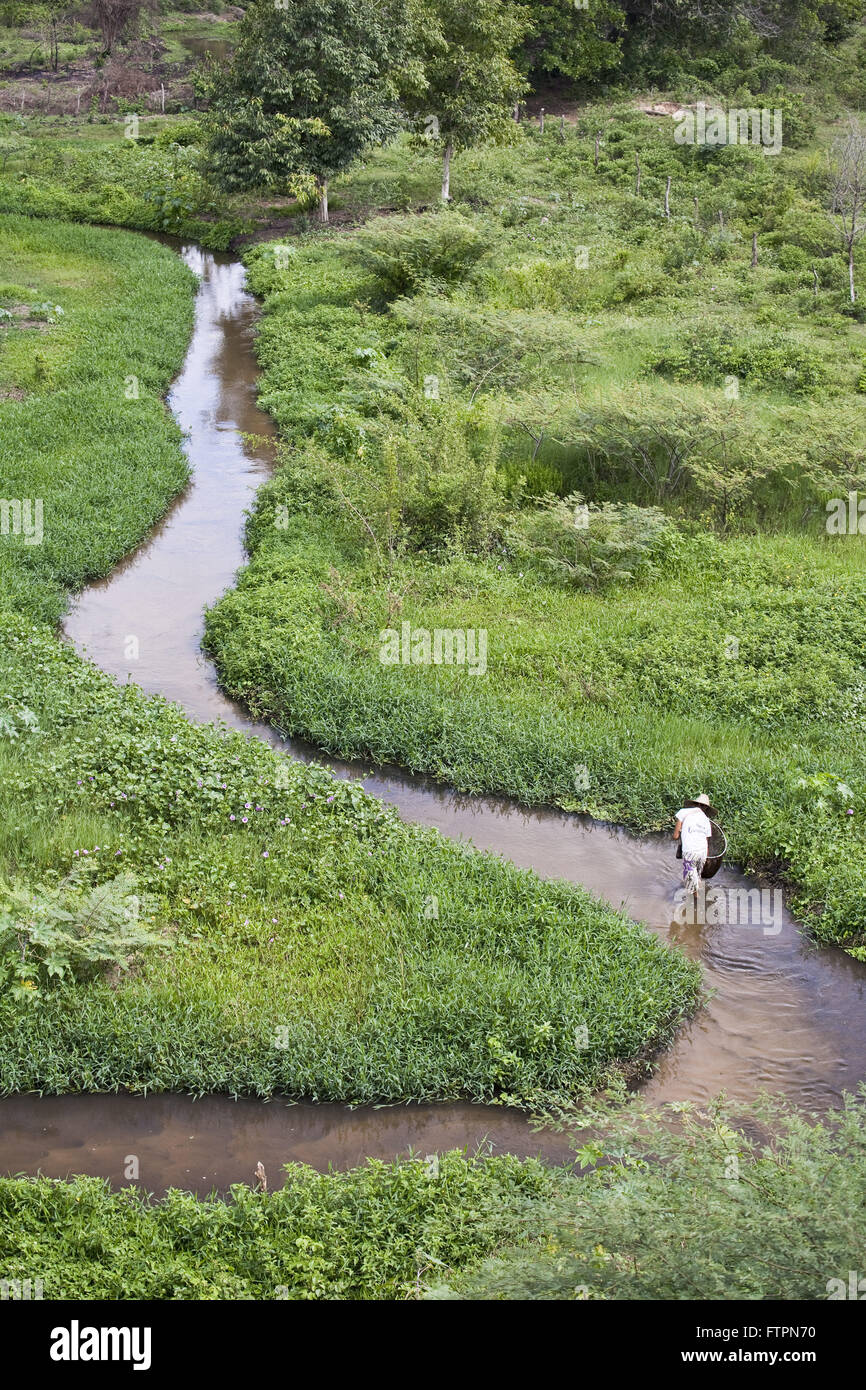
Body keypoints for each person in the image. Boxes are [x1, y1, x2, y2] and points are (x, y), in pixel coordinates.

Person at [673, 794, 716, 894]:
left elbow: (675, 836)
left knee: (691, 885)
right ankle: (699, 896)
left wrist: (682, 832)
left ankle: (696, 902)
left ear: (694, 804)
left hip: (689, 852)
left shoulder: (683, 812)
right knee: (697, 876)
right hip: (702, 853)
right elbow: (707, 842)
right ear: (706, 807)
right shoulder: (706, 820)